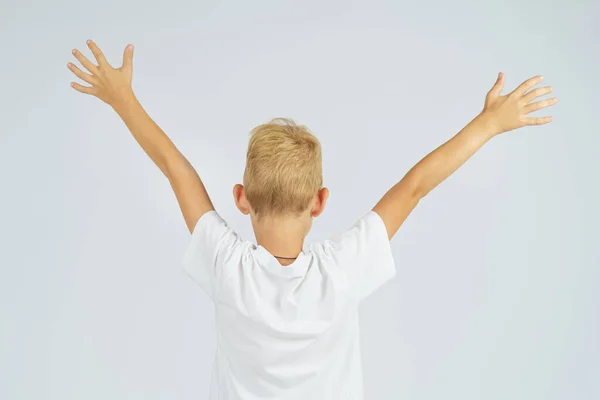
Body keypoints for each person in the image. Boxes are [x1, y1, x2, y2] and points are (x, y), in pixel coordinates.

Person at [67, 40, 557, 400]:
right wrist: (489, 123)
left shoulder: (226, 266)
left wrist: (122, 100)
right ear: (319, 202)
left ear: (241, 198)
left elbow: (177, 171)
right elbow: (415, 186)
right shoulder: (342, 269)